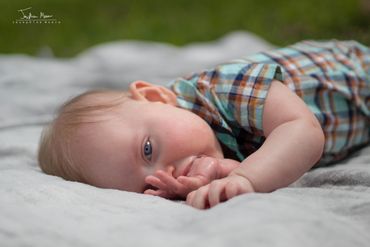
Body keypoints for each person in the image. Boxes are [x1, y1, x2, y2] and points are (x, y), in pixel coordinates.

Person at [38, 40, 370, 209]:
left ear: (156, 97)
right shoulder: (198, 150)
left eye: (148, 150)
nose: (167, 174)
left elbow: (303, 132)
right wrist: (215, 180)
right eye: (147, 187)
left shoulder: (227, 88)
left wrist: (246, 178)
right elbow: (244, 162)